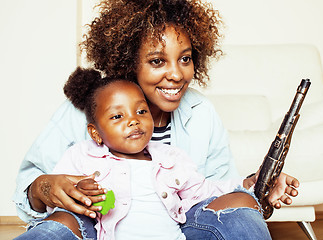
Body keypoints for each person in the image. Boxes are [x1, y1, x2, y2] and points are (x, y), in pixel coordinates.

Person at [13, 0, 299, 239]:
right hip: (98, 230)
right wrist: (46, 188)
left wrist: (254, 184)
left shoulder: (200, 112)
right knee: (61, 222)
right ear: (129, 61)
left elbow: (213, 193)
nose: (177, 74)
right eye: (157, 61)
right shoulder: (87, 107)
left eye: (185, 59)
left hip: (176, 228)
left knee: (243, 206)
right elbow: (29, 189)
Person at [19, 67, 272, 240]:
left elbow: (205, 192)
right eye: (118, 116)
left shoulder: (172, 158)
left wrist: (248, 183)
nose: (133, 121)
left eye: (141, 112)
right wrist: (82, 194)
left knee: (242, 201)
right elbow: (61, 201)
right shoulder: (82, 155)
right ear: (95, 133)